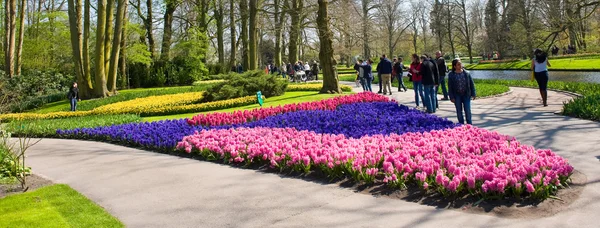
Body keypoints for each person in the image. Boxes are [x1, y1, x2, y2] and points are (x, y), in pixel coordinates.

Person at [448, 59, 476, 124]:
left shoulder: (467, 73)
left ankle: (470, 125)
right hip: (457, 95)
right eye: (458, 64)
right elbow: (450, 87)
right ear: (454, 66)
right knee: (459, 111)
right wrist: (451, 97)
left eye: (461, 64)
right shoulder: (451, 75)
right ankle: (461, 125)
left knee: (468, 111)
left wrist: (473, 93)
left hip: (466, 94)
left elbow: (471, 84)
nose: (460, 65)